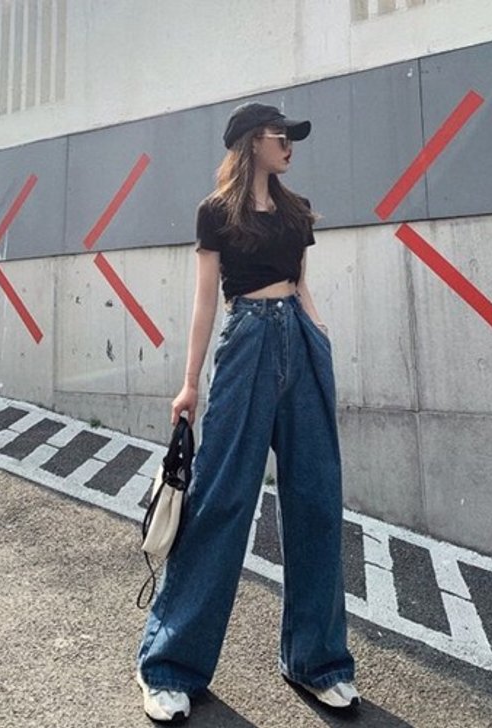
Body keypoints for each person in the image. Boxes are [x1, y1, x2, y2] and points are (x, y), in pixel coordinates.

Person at [135, 102, 358, 723]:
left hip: (300, 342)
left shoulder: (296, 210)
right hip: (247, 341)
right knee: (222, 501)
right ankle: (170, 667)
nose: (290, 146)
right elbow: (206, 301)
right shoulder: (216, 212)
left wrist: (318, 334)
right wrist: (189, 385)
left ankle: (318, 662)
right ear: (252, 142)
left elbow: (301, 282)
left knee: (316, 498)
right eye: (281, 136)